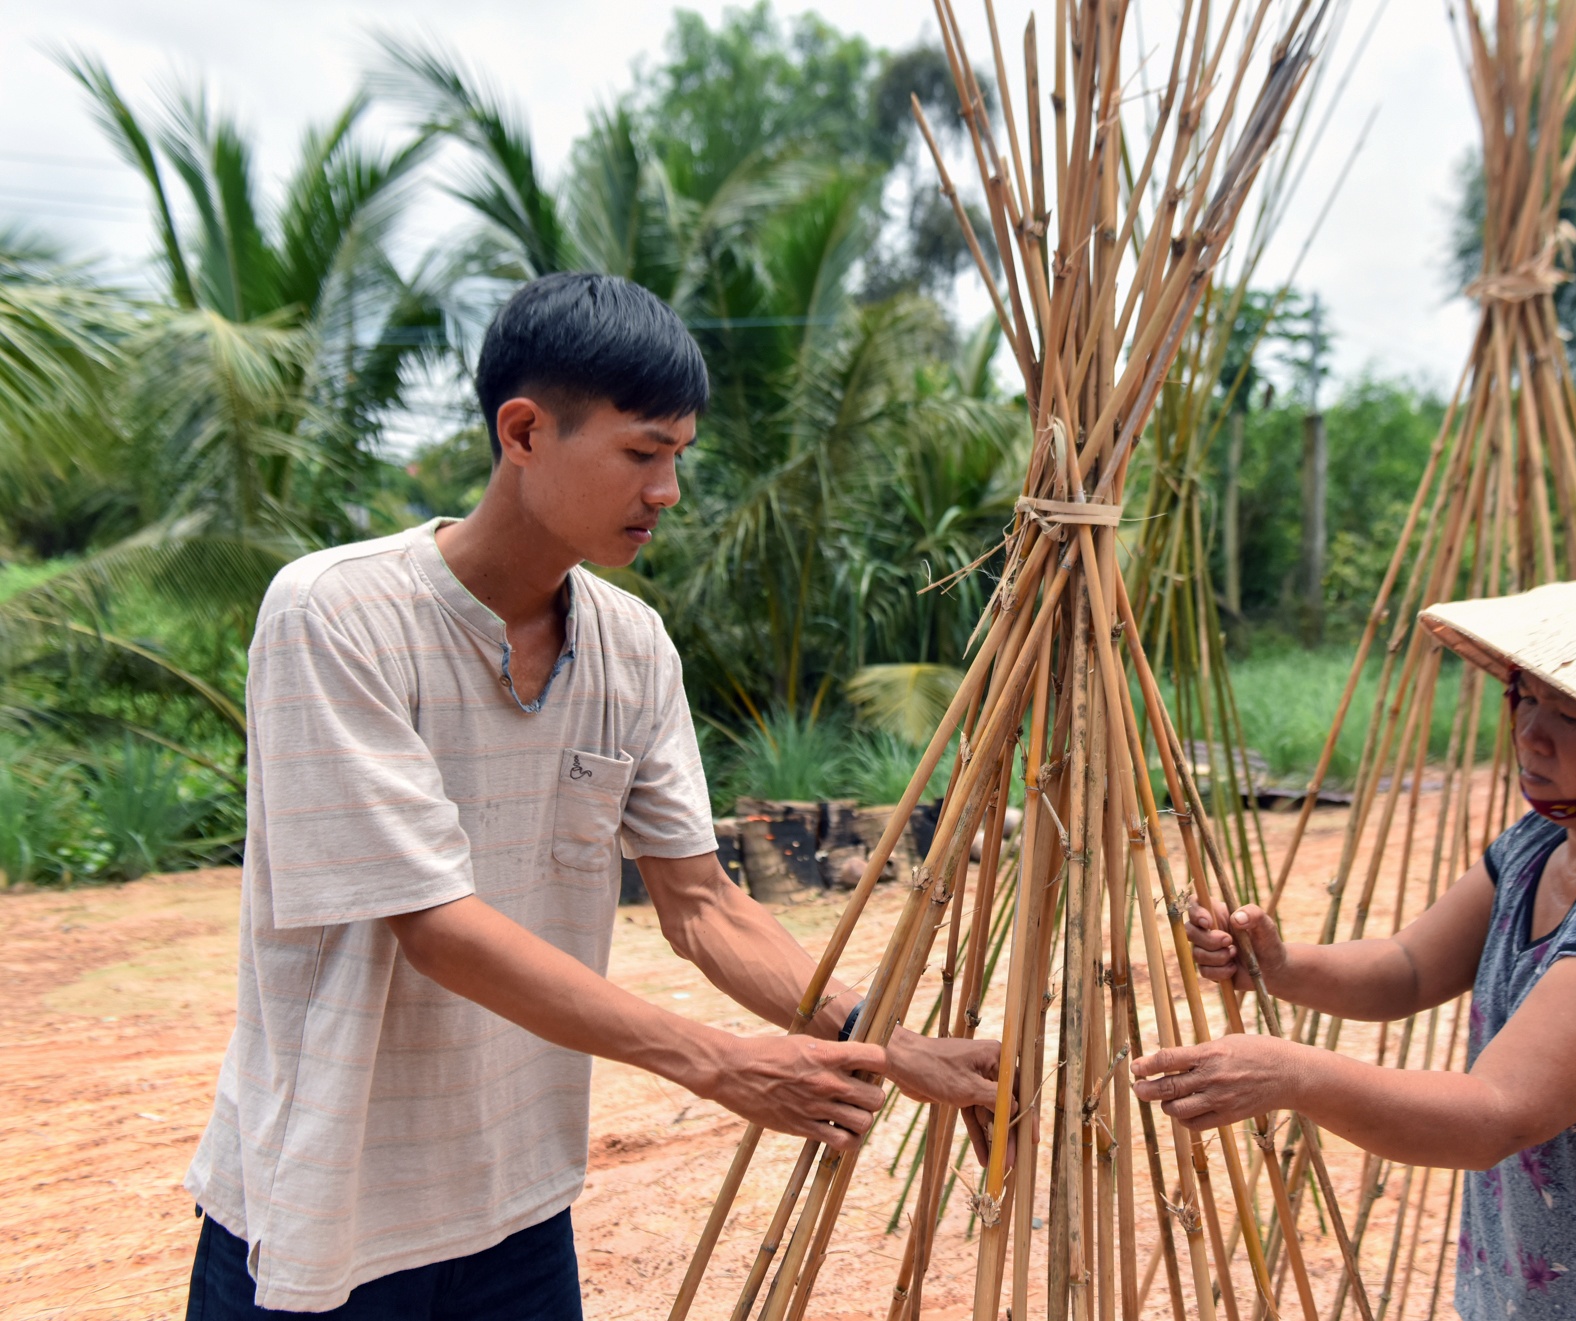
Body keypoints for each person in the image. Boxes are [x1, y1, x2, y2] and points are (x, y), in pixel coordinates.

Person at [182, 273, 1000, 1318]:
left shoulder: (632, 647)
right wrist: (720, 1063)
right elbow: (435, 925)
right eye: (641, 453)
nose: (666, 490)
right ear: (523, 431)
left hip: (518, 1210)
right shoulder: (338, 616)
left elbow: (702, 905)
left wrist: (871, 1033)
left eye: (678, 459)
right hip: (327, 1205)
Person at [1132, 560, 1576, 1318]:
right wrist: (1282, 967)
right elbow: (1411, 966)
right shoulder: (1542, 843)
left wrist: (1294, 1074)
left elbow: (1493, 1112)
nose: (1531, 731)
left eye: (1573, 714)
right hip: (1557, 1279)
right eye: (1527, 696)